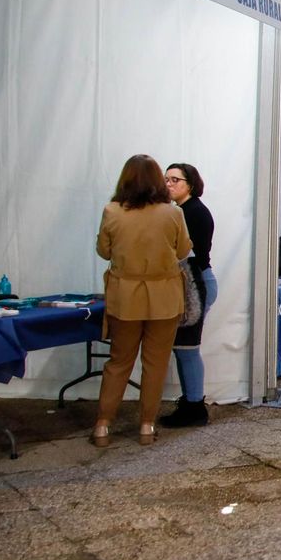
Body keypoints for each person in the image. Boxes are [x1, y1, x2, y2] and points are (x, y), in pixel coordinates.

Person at [91, 155, 191, 447]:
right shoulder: (173, 214)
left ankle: (102, 425)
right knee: (156, 363)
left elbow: (104, 251)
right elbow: (184, 249)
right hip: (165, 296)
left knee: (119, 362)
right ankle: (146, 425)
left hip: (125, 296)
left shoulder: (112, 211)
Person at [161, 163, 216, 428]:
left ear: (190, 184)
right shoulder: (181, 211)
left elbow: (188, 254)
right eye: (166, 179)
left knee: (187, 347)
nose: (169, 184)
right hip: (190, 283)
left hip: (195, 284)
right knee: (182, 347)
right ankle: (190, 401)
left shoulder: (192, 212)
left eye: (175, 180)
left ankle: (195, 407)